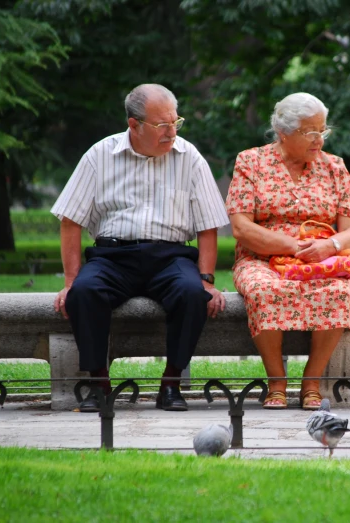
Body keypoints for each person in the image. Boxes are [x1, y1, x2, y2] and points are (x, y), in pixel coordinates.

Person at [51, 84, 230, 413]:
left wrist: (206, 280)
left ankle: (171, 384)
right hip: (113, 257)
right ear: (133, 125)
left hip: (171, 257)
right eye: (162, 125)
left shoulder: (189, 158)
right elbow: (70, 220)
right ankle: (99, 386)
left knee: (193, 295)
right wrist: (70, 281)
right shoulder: (99, 155)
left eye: (176, 122)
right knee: (84, 293)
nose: (171, 132)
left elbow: (208, 225)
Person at [225, 92, 350, 410]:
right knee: (264, 289)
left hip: (321, 260)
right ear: (283, 132)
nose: (319, 139)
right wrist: (293, 246)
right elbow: (241, 228)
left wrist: (328, 246)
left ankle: (311, 383)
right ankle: (276, 382)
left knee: (337, 290)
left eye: (323, 130)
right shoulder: (250, 162)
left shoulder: (335, 167)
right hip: (261, 259)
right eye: (310, 132)